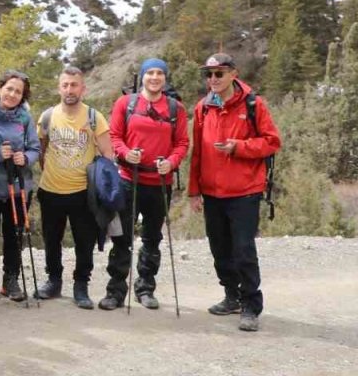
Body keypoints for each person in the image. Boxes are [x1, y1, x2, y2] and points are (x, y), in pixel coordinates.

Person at [189, 53, 281, 332]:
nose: (213, 79)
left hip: (245, 191)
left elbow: (272, 142)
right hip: (213, 192)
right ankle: (231, 297)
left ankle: (251, 305)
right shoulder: (202, 108)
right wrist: (194, 191)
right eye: (209, 74)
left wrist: (238, 147)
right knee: (220, 249)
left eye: (219, 73)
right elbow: (198, 154)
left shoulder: (253, 104)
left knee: (243, 250)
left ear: (233, 74)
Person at [100, 58, 189, 311]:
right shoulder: (125, 104)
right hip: (129, 179)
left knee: (152, 237)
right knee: (121, 237)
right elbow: (114, 136)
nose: (154, 77)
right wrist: (126, 153)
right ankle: (115, 291)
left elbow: (182, 143)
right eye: (150, 72)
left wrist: (170, 162)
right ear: (142, 76)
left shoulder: (175, 109)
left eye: (159, 73)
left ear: (165, 78)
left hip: (160, 181)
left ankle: (145, 288)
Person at [34, 66, 114, 309]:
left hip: (82, 192)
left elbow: (108, 154)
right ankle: (54, 281)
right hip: (50, 190)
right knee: (52, 239)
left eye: (74, 85)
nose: (70, 89)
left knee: (84, 241)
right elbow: (41, 150)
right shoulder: (47, 117)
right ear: (59, 88)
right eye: (65, 85)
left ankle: (81, 286)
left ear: (83, 88)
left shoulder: (94, 117)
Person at [0, 70, 41, 302]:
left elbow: (35, 148)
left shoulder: (25, 118)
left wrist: (25, 158)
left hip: (19, 185)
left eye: (18, 92)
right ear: (0, 88)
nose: (13, 94)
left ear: (23, 96)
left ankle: (11, 278)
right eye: (9, 89)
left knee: (15, 234)